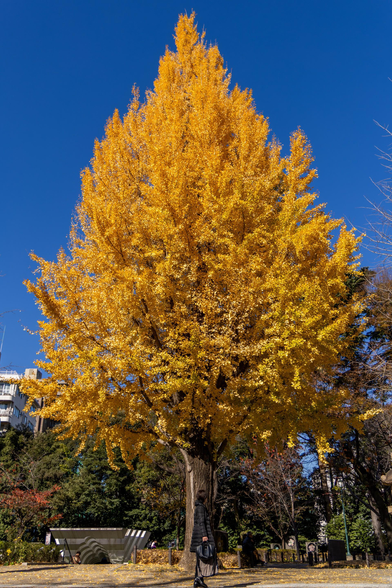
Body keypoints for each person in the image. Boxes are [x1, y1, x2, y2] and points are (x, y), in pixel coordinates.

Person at [190, 489, 218, 588]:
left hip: (199, 535)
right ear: (204, 498)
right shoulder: (201, 508)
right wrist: (204, 535)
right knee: (202, 557)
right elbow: (201, 522)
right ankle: (198, 578)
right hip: (201, 536)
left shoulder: (200, 507)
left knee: (200, 558)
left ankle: (198, 578)